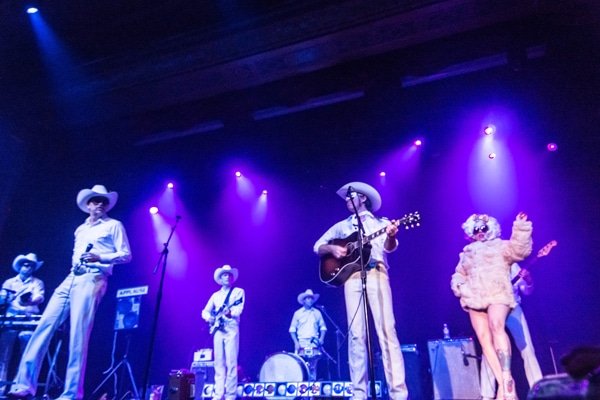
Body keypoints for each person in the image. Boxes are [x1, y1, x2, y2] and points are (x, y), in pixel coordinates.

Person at [8, 184, 132, 400]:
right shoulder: (80, 228)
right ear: (88, 204)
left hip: (93, 277)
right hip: (72, 277)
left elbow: (126, 255)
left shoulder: (114, 225)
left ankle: (72, 393)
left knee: (78, 334)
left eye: (103, 201)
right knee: (44, 325)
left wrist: (100, 257)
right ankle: (24, 385)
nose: (100, 204)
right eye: (96, 200)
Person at [314, 181, 409, 400]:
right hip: (352, 278)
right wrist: (332, 248)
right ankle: (359, 394)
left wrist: (392, 235)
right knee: (356, 335)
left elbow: (388, 247)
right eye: (346, 198)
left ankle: (398, 394)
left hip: (377, 272)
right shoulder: (341, 226)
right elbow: (317, 246)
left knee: (387, 331)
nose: (348, 200)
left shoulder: (380, 223)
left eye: (351, 196)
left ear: (363, 198)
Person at [451, 213, 532, 400]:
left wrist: (520, 227)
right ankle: (505, 385)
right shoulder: (467, 252)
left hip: (497, 293)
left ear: (490, 229)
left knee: (497, 325)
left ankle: (505, 377)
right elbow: (459, 274)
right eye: (476, 229)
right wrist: (460, 287)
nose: (480, 232)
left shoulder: (501, 246)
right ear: (471, 231)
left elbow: (520, 250)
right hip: (474, 298)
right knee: (484, 340)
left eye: (483, 228)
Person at [480, 263, 543, 399]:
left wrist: (528, 280)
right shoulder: (483, 262)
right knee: (488, 350)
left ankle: (538, 389)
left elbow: (526, 291)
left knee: (527, 348)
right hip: (491, 310)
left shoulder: (512, 264)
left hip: (513, 307)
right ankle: (487, 395)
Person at [0, 253, 45, 394]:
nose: (28, 267)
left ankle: (19, 387)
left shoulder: (37, 283)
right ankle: (0, 387)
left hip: (28, 320)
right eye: (25, 264)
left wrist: (30, 300)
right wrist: (6, 298)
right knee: (4, 354)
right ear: (20, 266)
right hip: (11, 320)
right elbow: (2, 299)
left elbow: (40, 297)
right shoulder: (9, 282)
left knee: (26, 353)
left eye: (31, 265)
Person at [202, 265, 245, 400]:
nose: (227, 277)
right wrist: (210, 318)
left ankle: (230, 395)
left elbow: (239, 309)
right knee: (218, 363)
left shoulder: (238, 292)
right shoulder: (215, 295)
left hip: (231, 328)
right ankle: (218, 394)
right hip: (218, 330)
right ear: (220, 279)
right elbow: (204, 311)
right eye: (224, 275)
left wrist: (230, 313)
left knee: (231, 362)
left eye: (229, 275)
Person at [289, 289, 327, 380]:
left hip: (313, 343)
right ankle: (300, 386)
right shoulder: (297, 313)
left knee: (313, 367)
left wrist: (321, 338)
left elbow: (323, 327)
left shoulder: (317, 313)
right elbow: (292, 329)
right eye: (308, 298)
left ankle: (312, 389)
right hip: (301, 343)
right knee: (299, 366)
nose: (310, 300)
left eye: (311, 298)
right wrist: (296, 342)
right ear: (304, 300)